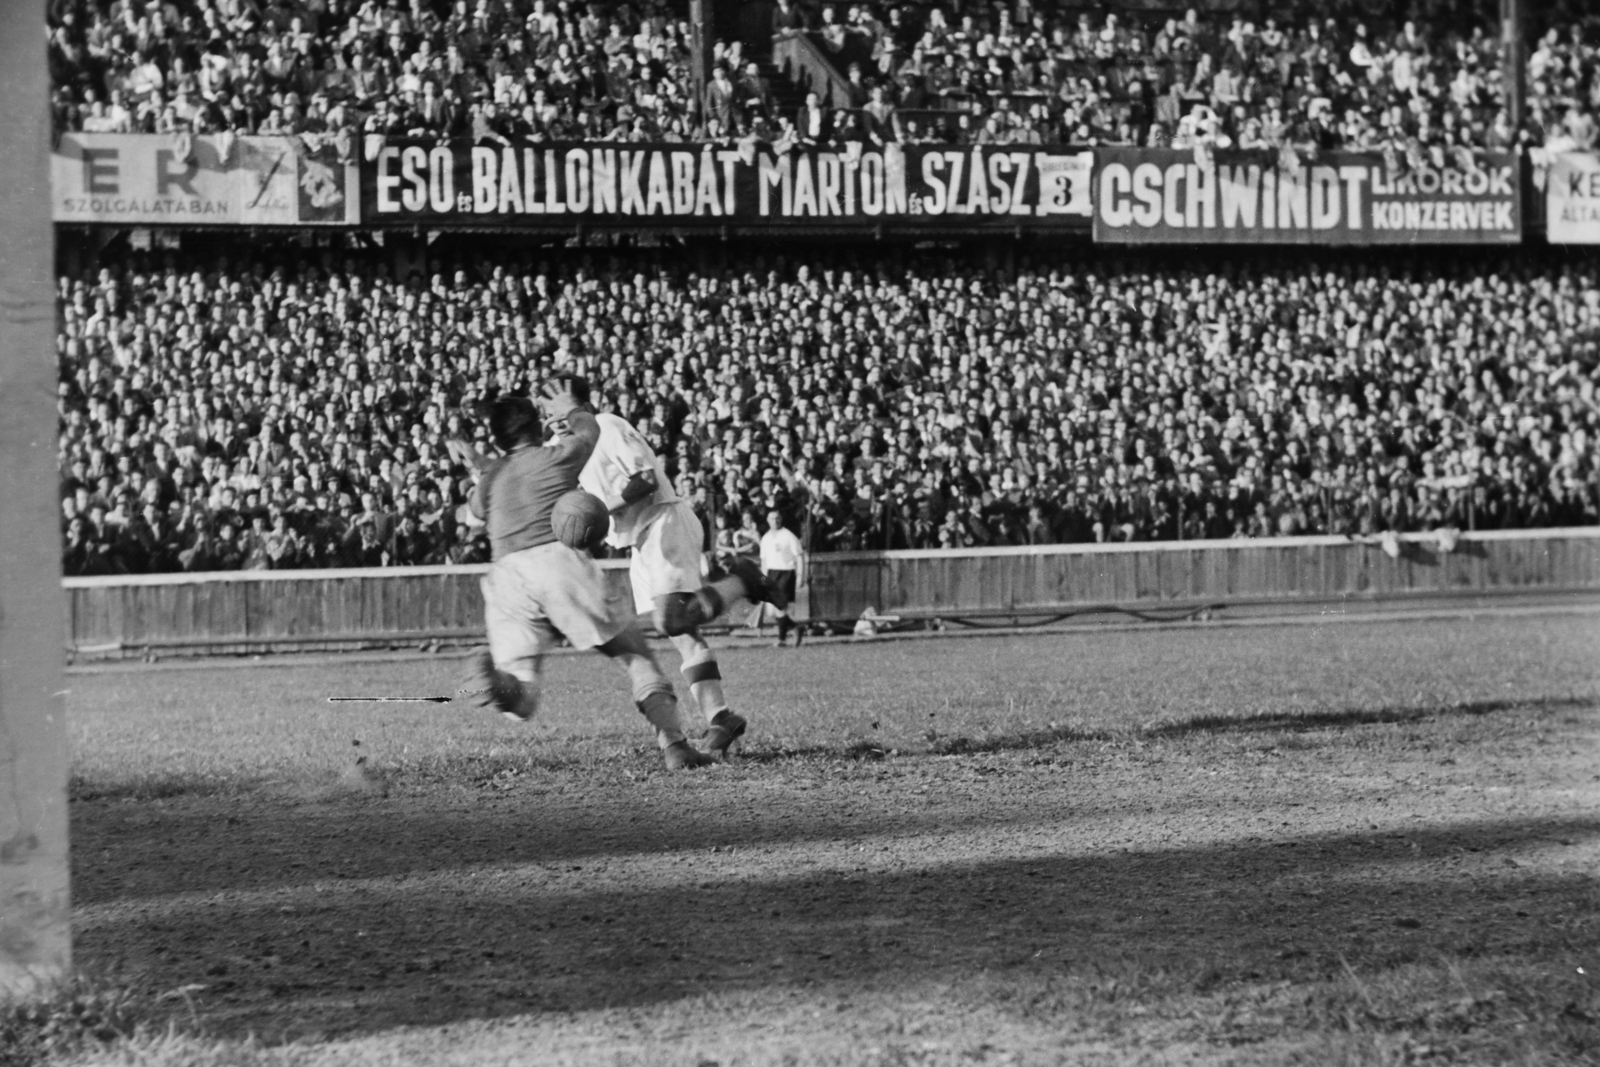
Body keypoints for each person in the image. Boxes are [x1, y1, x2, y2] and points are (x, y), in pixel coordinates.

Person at [457, 383, 718, 771]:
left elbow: (473, 519)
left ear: (496, 438)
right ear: (535, 427)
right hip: (555, 563)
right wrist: (573, 408)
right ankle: (675, 746)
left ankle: (498, 683)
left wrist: (483, 470)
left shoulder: (491, 477)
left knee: (523, 699)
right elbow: (589, 432)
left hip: (505, 575)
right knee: (634, 655)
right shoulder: (557, 456)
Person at [558, 374, 782, 760]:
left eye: (554, 408)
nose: (549, 418)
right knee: (683, 635)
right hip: (637, 539)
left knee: (671, 621)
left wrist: (601, 509)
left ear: (576, 404)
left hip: (663, 520)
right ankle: (721, 717)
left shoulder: (607, 426)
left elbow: (644, 480)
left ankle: (742, 581)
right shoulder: (569, 446)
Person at [759, 509, 804, 647]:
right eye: (772, 518)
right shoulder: (766, 538)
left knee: (780, 607)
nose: (775, 521)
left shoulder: (788, 535)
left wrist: (800, 575)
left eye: (777, 518)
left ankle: (781, 639)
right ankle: (796, 627)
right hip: (771, 573)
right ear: (767, 520)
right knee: (771, 611)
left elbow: (799, 555)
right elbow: (764, 560)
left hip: (786, 573)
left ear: (781, 519)